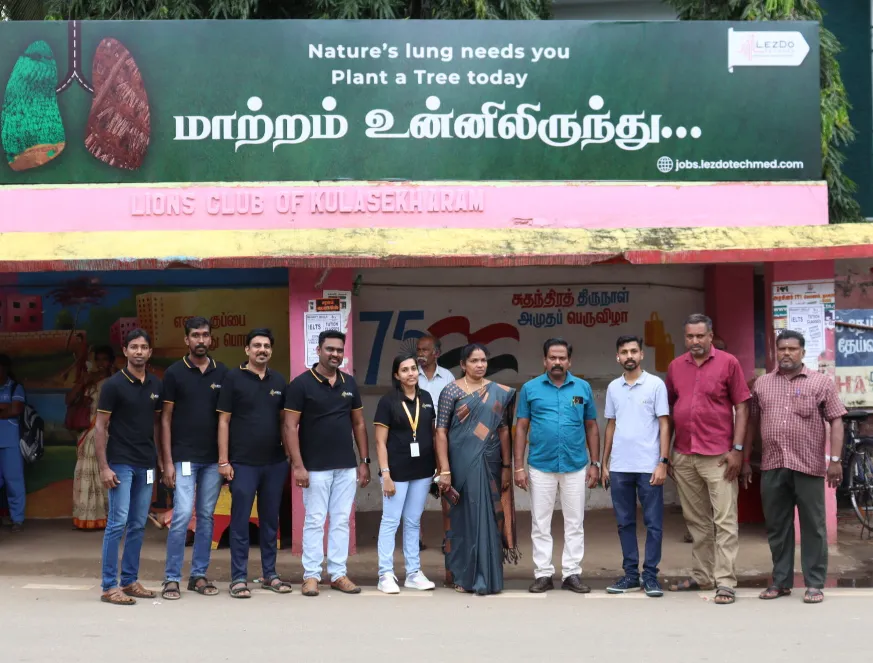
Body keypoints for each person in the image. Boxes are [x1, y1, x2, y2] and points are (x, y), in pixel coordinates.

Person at [744, 330, 846, 604]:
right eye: (782, 349)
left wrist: (835, 461)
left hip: (809, 466)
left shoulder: (820, 382)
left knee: (813, 526)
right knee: (778, 526)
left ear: (802, 352)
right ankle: (780, 581)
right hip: (773, 464)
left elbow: (837, 420)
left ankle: (814, 583)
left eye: (792, 348)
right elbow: (751, 422)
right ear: (776, 351)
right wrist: (744, 461)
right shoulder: (762, 384)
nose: (786, 353)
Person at [665, 313, 750, 605]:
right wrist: (668, 455)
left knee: (725, 521)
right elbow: (670, 413)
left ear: (710, 336)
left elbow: (742, 406)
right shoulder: (676, 367)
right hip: (685, 454)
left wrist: (737, 450)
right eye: (690, 336)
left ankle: (725, 581)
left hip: (719, 456)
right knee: (696, 521)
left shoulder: (729, 363)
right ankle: (702, 576)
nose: (695, 341)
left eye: (700, 336)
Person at [285, 330, 370, 597]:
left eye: (339, 350)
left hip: (346, 466)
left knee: (342, 520)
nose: (335, 354)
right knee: (314, 520)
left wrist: (364, 461)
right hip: (315, 468)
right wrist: (298, 466)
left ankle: (337, 573)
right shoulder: (301, 384)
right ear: (318, 350)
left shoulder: (349, 383)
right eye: (329, 349)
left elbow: (358, 423)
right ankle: (311, 576)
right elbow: (289, 426)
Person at [514, 338, 600, 594]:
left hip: (575, 465)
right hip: (541, 465)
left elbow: (592, 427)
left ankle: (572, 573)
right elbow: (521, 427)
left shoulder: (582, 388)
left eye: (562, 358)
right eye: (553, 357)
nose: (557, 362)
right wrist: (518, 466)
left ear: (569, 361)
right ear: (544, 361)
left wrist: (595, 463)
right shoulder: (530, 389)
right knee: (540, 523)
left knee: (575, 522)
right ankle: (543, 574)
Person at [435, 343, 518, 596]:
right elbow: (441, 431)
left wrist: (506, 465)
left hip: (490, 460)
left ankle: (490, 576)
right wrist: (445, 469)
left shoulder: (497, 392)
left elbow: (503, 430)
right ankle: (464, 575)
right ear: (463, 365)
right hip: (461, 462)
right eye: (474, 361)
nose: (480, 365)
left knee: (489, 518)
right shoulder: (450, 391)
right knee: (463, 519)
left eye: (483, 360)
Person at [217, 328, 292, 599]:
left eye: (267, 346)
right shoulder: (232, 379)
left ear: (271, 350)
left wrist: (290, 458)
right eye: (257, 345)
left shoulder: (279, 381)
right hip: (242, 464)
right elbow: (223, 421)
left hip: (274, 463)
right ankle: (238, 578)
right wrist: (224, 460)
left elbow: (285, 422)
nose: (262, 350)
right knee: (239, 521)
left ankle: (269, 574)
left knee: (270, 522)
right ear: (247, 350)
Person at [159, 317, 229, 600]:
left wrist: (225, 459)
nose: (201, 340)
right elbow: (165, 419)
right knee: (183, 515)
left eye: (205, 335)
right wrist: (166, 461)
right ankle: (172, 578)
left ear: (211, 339)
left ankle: (198, 575)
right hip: (184, 457)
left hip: (213, 459)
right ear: (186, 340)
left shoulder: (222, 372)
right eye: (195, 336)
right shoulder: (174, 373)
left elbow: (226, 419)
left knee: (207, 517)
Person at [95, 329, 162, 605]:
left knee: (137, 525)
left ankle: (130, 581)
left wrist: (160, 461)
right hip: (120, 463)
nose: (138, 351)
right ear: (125, 351)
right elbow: (100, 426)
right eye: (133, 347)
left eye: (143, 347)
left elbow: (157, 425)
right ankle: (109, 585)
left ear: (149, 352)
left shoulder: (156, 385)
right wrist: (104, 467)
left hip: (145, 463)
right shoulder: (113, 385)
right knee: (117, 523)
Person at [602, 336, 670, 597]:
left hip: (648, 466)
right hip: (620, 467)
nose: (629, 355)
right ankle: (631, 575)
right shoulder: (613, 388)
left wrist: (662, 462)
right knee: (624, 523)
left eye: (633, 351)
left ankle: (650, 576)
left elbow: (665, 424)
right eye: (624, 352)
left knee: (654, 524)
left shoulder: (655, 385)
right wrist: (604, 462)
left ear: (642, 355)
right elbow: (611, 424)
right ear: (617, 357)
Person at [374, 352, 437, 594]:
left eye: (413, 368)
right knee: (390, 521)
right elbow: (380, 442)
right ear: (396, 375)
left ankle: (413, 572)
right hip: (396, 472)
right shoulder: (387, 401)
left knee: (413, 522)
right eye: (405, 370)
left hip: (422, 471)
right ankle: (385, 574)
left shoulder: (427, 398)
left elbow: (432, 434)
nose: (411, 373)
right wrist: (385, 474)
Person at [71, 345, 115, 531]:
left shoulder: (115, 380)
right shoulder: (88, 379)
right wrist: (83, 383)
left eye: (105, 359)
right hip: (88, 431)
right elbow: (69, 400)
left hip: (106, 430)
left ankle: (104, 515)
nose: (102, 363)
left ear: (111, 361)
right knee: (87, 470)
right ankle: (86, 516)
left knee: (103, 472)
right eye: (99, 359)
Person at [416, 332, 452, 552]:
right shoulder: (411, 374)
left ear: (436, 353)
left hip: (442, 439)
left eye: (425, 350)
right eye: (418, 350)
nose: (420, 354)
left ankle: (448, 537)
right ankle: (416, 538)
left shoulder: (448, 377)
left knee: (445, 489)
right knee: (417, 489)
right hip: (417, 439)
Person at [0, 354, 26, 533]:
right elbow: (8, 409)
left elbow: (15, 409)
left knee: (13, 481)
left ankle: (17, 519)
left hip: (10, 441)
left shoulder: (15, 387)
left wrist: (7, 409)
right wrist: (4, 408)